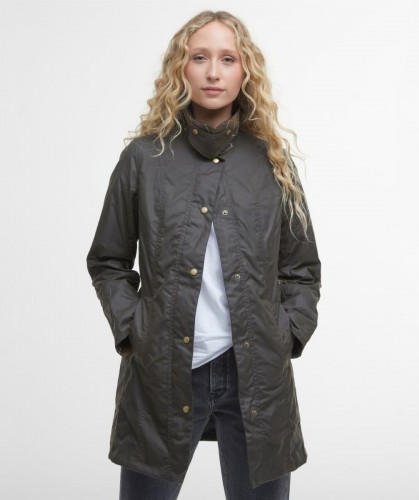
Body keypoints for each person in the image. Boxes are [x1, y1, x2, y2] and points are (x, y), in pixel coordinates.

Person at [86, 10, 322, 500]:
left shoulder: (272, 162)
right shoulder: (143, 160)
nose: (213, 72)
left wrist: (288, 333)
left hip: (256, 374)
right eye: (199, 58)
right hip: (163, 372)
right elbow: (108, 261)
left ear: (245, 70)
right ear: (181, 68)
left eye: (227, 59)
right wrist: (135, 330)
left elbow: (300, 268)